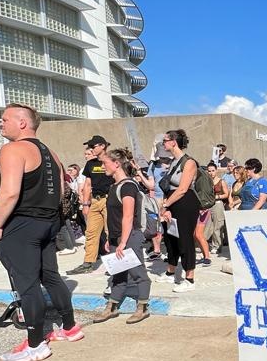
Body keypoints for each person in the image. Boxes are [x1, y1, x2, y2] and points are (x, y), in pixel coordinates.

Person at [0, 103, 83, 361]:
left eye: (5, 119)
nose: (1, 123)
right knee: (51, 276)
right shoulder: (52, 154)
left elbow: (9, 193)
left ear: (22, 123)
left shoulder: (13, 149)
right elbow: (64, 192)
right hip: (48, 222)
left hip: (22, 224)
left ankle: (35, 345)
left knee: (27, 284)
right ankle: (69, 327)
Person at [93, 147, 151, 324]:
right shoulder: (114, 186)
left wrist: (123, 242)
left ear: (116, 164)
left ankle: (142, 306)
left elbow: (128, 215)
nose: (102, 167)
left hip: (129, 236)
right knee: (117, 274)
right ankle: (113, 306)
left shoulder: (127, 186)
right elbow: (114, 216)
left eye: (105, 163)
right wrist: (110, 239)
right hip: (117, 237)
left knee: (137, 272)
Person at [161, 129, 200, 293]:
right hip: (172, 203)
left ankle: (190, 278)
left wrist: (165, 205)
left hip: (184, 203)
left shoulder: (189, 162)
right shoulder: (173, 162)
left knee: (185, 240)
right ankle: (171, 271)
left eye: (165, 140)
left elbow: (183, 189)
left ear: (173, 142)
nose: (163, 144)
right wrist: (166, 205)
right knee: (171, 238)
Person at [69, 134, 112, 274]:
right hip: (94, 201)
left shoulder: (112, 160)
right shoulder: (90, 164)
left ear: (102, 146)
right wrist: (86, 204)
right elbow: (87, 184)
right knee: (91, 233)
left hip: (109, 200)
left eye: (93, 146)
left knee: (111, 232)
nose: (91, 149)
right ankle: (88, 263)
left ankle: (116, 265)